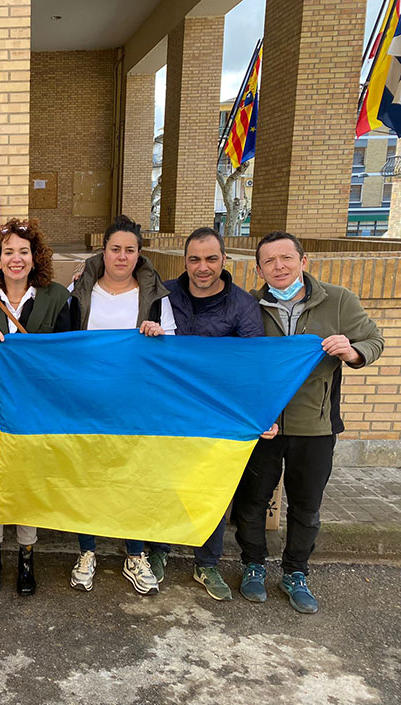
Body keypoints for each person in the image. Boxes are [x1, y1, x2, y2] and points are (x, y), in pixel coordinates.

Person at [232, 231, 383, 614]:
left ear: (303, 260)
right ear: (259, 268)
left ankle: (295, 571)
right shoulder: (251, 306)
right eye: (269, 261)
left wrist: (352, 351)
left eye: (286, 258)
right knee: (252, 500)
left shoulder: (338, 300)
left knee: (306, 505)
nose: (279, 267)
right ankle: (252, 564)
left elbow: (373, 340)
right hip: (264, 425)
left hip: (316, 425)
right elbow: (238, 365)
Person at [143, 227, 274, 601]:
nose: (203, 267)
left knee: (212, 488)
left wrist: (257, 413)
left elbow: (252, 365)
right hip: (168, 411)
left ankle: (207, 563)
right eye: (195, 259)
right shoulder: (163, 294)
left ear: (224, 260)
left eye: (211, 259)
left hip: (218, 413)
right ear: (185, 261)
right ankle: (158, 551)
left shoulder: (242, 305)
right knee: (165, 484)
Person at [0, 218, 71, 597]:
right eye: (9, 252)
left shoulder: (56, 296)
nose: (16, 258)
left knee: (29, 479)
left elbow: (68, 352)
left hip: (37, 408)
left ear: (35, 257)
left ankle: (26, 555)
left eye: (24, 251)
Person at [68, 214, 176, 596]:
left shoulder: (156, 298)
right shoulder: (79, 291)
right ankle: (87, 552)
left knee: (134, 479)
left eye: (130, 250)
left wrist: (157, 335)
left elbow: (171, 352)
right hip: (89, 403)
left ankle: (134, 554)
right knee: (89, 480)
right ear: (105, 251)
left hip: (136, 405)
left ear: (139, 254)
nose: (122, 256)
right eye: (116, 249)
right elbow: (61, 345)